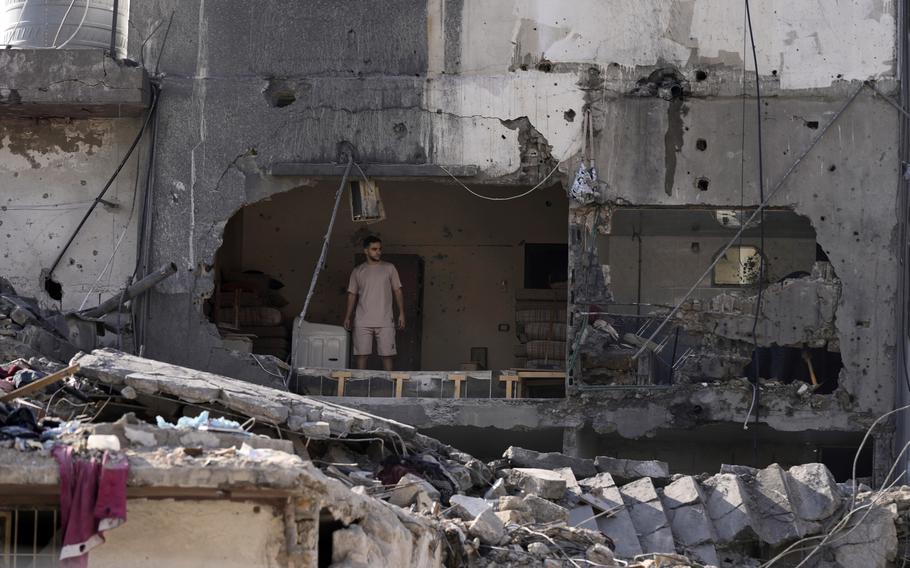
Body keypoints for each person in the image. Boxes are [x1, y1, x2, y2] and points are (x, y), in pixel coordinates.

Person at [344, 236, 405, 370]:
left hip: (385, 320)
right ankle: (361, 386)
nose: (378, 252)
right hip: (362, 321)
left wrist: (401, 313)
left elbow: (398, 291)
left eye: (380, 249)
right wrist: (348, 316)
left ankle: (390, 388)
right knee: (361, 355)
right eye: (374, 249)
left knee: (387, 356)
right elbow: (352, 295)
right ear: (366, 251)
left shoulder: (389, 268)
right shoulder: (358, 271)